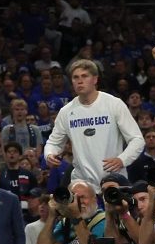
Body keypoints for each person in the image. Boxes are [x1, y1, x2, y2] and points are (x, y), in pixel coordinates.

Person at [44, 58, 144, 191]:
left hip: (114, 181)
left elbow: (137, 139)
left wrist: (122, 160)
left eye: (84, 76)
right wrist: (50, 154)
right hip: (81, 183)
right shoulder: (66, 111)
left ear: (95, 79)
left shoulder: (114, 104)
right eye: (75, 77)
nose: (79, 81)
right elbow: (54, 143)